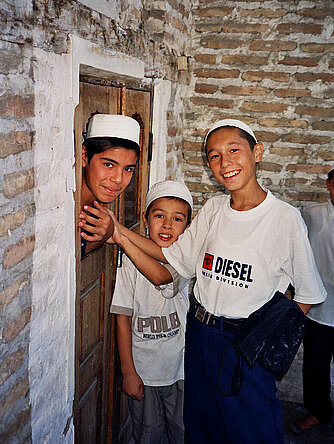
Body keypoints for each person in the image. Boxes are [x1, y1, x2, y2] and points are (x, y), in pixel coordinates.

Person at [80, 119, 327, 444]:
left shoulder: (283, 219)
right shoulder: (213, 210)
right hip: (199, 336)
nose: (224, 163)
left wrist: (267, 346)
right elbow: (166, 265)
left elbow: (308, 294)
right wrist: (118, 233)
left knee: (252, 430)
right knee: (201, 428)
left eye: (233, 151)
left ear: (257, 152)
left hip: (246, 342)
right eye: (214, 155)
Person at [110, 180, 193, 444]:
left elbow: (161, 277)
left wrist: (120, 235)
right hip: (144, 372)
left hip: (180, 369)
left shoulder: (186, 260)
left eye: (177, 219)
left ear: (187, 228)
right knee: (147, 434)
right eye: (159, 216)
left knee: (183, 432)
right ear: (145, 220)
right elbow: (122, 319)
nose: (167, 225)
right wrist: (129, 372)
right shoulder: (129, 262)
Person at [291, 168, 334, 434]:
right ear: (330, 184)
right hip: (320, 308)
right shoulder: (312, 215)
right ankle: (318, 412)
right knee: (315, 366)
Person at [80, 113, 140, 255]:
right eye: (108, 164)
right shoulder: (59, 207)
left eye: (128, 169)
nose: (118, 179)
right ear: (84, 156)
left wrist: (107, 233)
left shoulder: (99, 216)